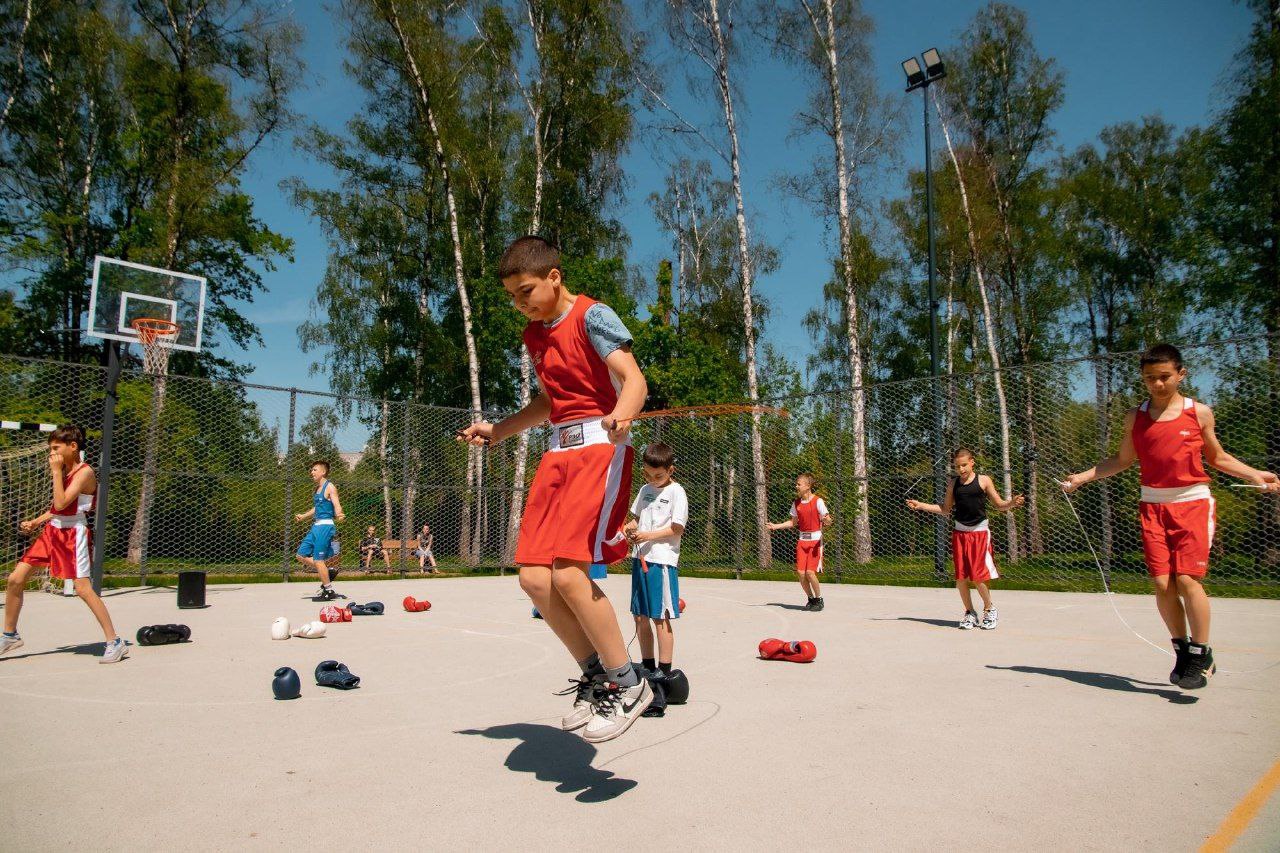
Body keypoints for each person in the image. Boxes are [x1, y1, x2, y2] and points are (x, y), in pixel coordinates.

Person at [459, 235, 653, 742]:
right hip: (557, 454)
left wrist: (623, 414)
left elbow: (634, 380)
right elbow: (549, 403)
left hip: (598, 449)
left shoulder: (594, 316)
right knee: (534, 579)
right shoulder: (534, 337)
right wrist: (497, 429)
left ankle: (630, 684)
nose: (519, 303)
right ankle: (597, 679)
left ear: (554, 278)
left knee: (569, 575)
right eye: (512, 297)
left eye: (525, 291)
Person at [1063, 344, 1280, 689]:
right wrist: (1083, 476)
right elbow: (1122, 460)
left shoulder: (1199, 413)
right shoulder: (1136, 417)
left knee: (1187, 580)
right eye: (1150, 378)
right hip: (1152, 505)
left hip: (1192, 503)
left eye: (1164, 377)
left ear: (1181, 374)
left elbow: (1218, 457)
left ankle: (1202, 652)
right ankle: (1181, 649)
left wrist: (1254, 473)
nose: (1157, 384)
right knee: (1163, 583)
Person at [1, 425, 127, 663]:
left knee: (82, 588)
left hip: (73, 534)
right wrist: (36, 521)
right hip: (52, 531)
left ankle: (114, 641)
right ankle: (9, 635)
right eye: (51, 449)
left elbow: (61, 504)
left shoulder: (84, 473)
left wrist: (56, 473)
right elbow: (56, 510)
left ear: (73, 446)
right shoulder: (66, 469)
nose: (52, 454)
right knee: (16, 579)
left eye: (55, 448)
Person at [906, 448, 1024, 629]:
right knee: (961, 577)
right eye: (957, 466)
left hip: (979, 533)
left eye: (964, 465)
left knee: (978, 576)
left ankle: (989, 609)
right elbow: (945, 509)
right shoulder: (953, 484)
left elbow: (999, 505)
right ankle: (970, 613)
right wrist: (920, 505)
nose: (961, 469)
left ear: (972, 462)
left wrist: (1011, 503)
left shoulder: (984, 481)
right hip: (960, 533)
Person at [622, 442, 687, 681]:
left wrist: (647, 535)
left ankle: (665, 670)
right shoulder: (645, 490)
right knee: (640, 616)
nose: (653, 479)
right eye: (648, 474)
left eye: (658, 475)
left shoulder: (676, 492)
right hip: (640, 559)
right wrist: (628, 530)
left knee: (661, 617)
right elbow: (636, 520)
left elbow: (677, 528)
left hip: (661, 562)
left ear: (670, 471)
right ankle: (648, 666)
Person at [767, 473, 833, 611]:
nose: (796, 486)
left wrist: (827, 520)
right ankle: (811, 599)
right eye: (796, 484)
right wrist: (775, 526)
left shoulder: (818, 501)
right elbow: (793, 522)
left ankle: (819, 599)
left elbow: (828, 520)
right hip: (802, 541)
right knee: (801, 573)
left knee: (810, 572)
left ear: (808, 486)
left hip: (815, 541)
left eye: (799, 484)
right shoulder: (796, 503)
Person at [294, 460, 345, 600]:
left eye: (314, 470)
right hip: (316, 526)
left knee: (318, 559)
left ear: (323, 471)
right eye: (311, 470)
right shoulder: (317, 489)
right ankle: (327, 572)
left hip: (325, 527)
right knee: (300, 555)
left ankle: (328, 591)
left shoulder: (330, 487)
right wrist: (303, 516)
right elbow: (317, 508)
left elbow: (336, 504)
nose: (312, 472)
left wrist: (339, 514)